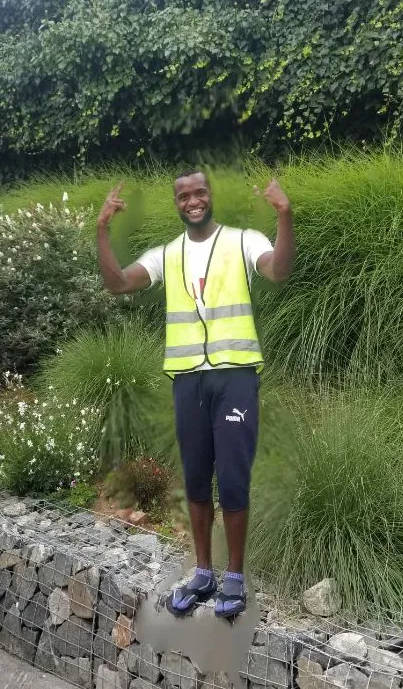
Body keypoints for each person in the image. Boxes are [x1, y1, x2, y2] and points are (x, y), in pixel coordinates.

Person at [97, 169, 295, 619]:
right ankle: (204, 571)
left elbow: (278, 270)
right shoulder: (166, 254)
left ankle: (236, 577)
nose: (193, 200)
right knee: (195, 476)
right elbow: (118, 283)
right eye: (184, 195)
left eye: (199, 192)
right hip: (188, 379)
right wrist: (102, 230)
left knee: (232, 477)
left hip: (235, 376)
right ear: (177, 203)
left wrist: (284, 214)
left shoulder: (243, 241)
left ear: (210, 196)